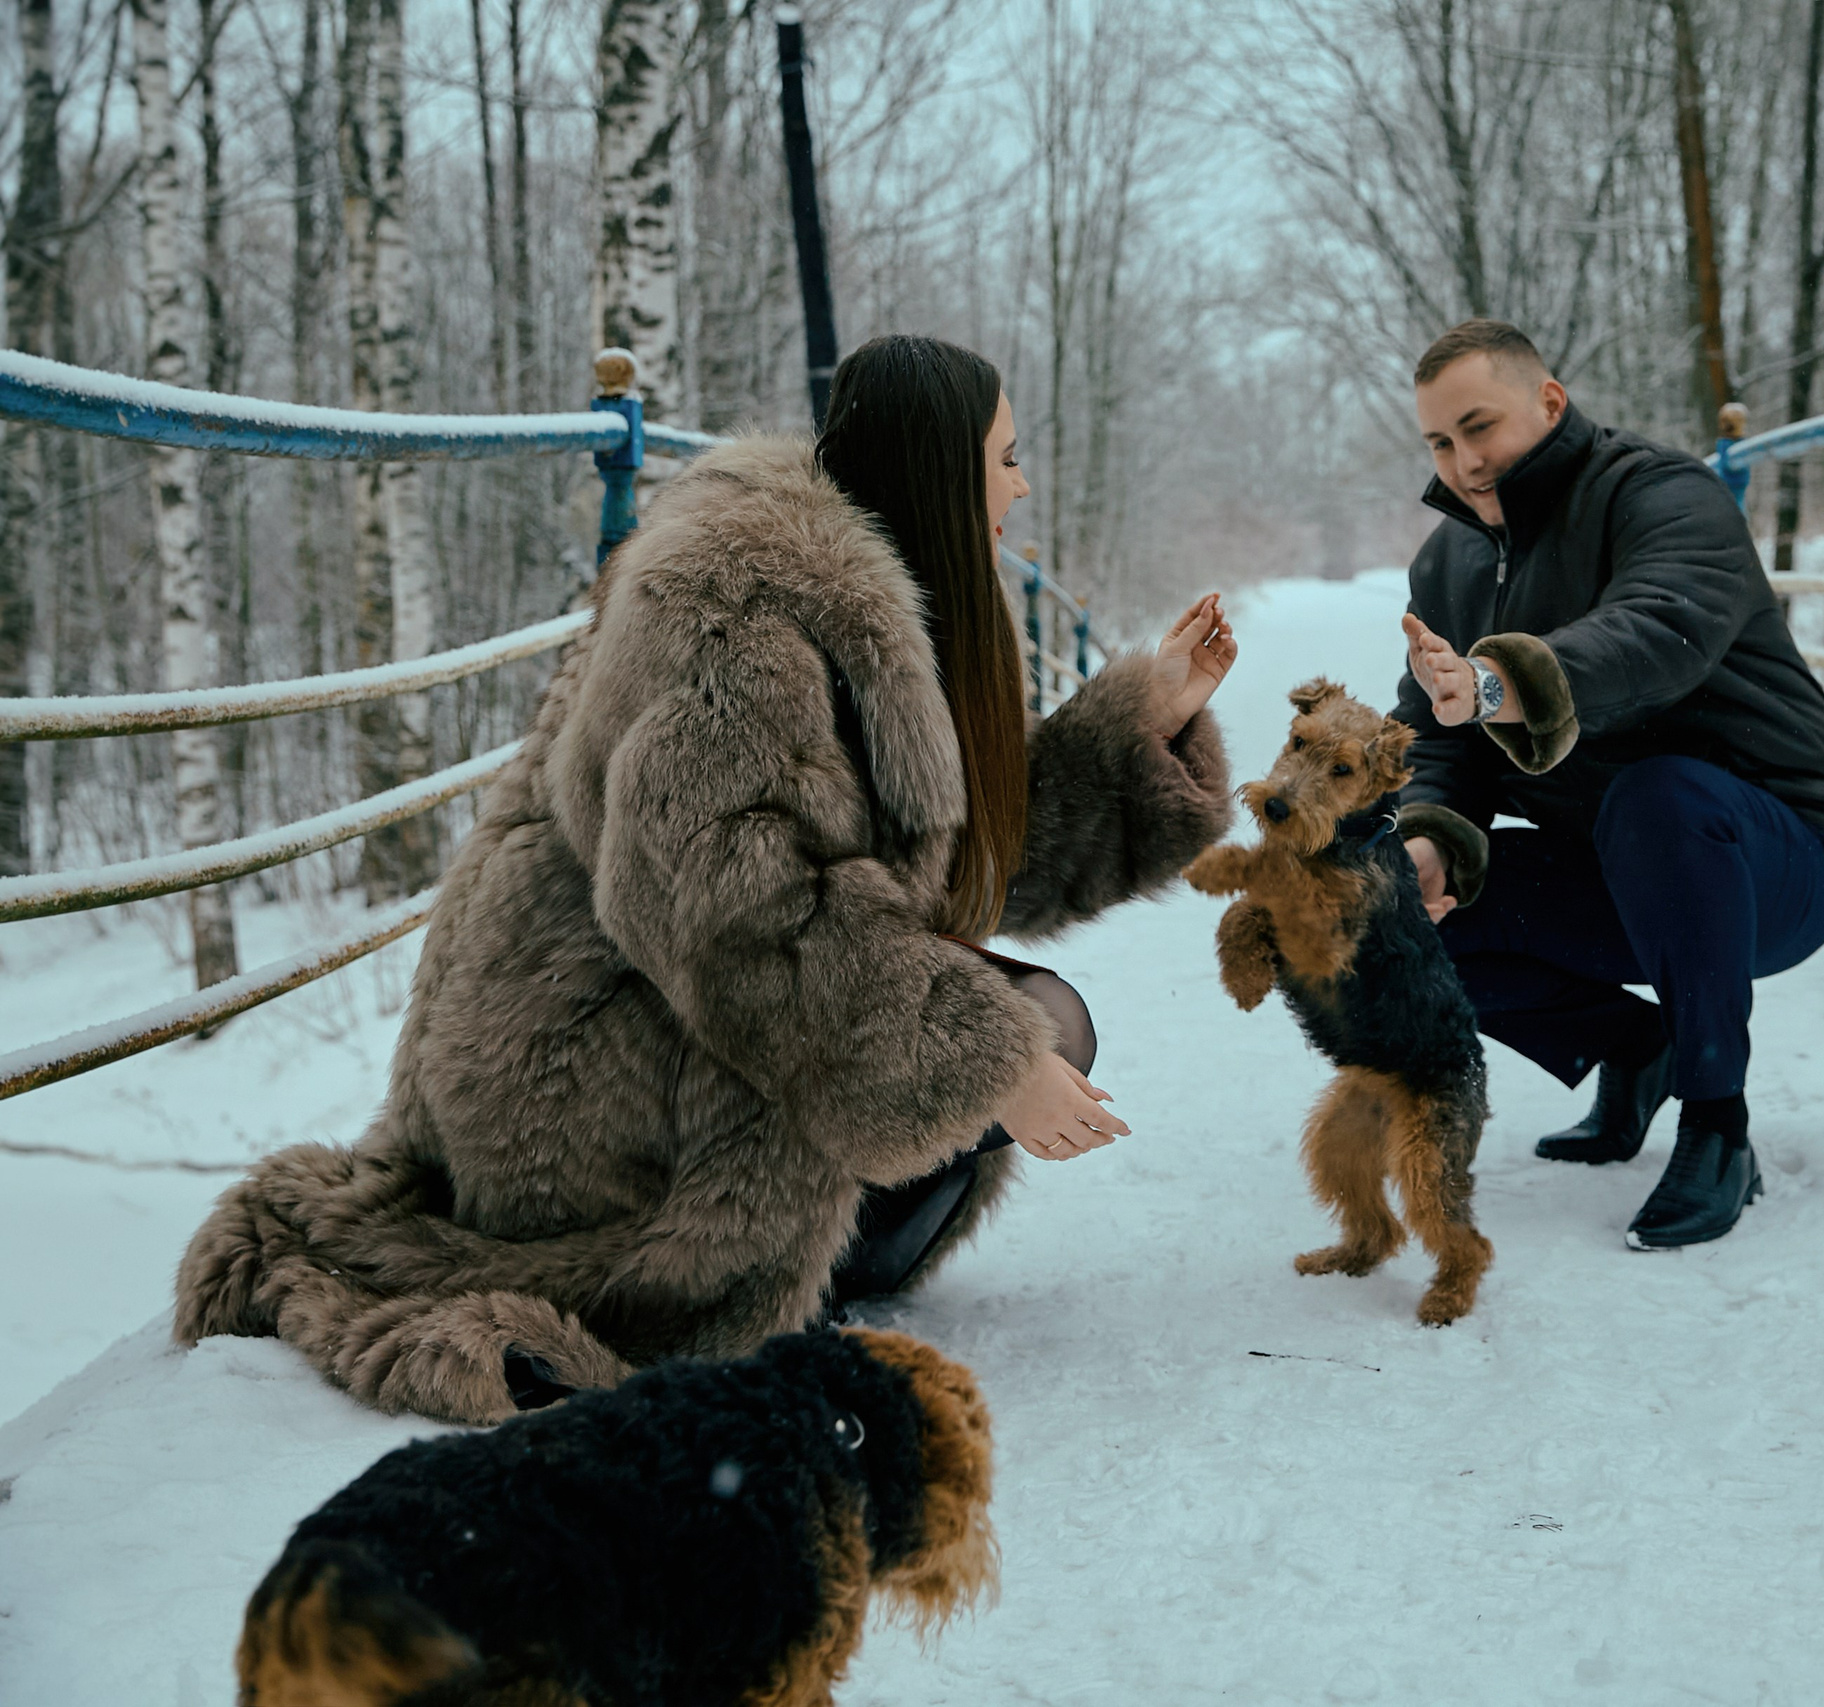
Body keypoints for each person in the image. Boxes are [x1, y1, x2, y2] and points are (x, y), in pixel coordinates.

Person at [174, 334, 1237, 1425]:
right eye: (1004, 457)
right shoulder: (738, 614)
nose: (1020, 484)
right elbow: (742, 917)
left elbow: (944, 855)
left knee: (1043, 1023)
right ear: (934, 466)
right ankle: (709, 1281)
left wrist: (1139, 728)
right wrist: (983, 1064)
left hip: (691, 1006)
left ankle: (807, 1261)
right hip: (583, 1070)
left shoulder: (870, 591)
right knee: (1008, 1041)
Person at [1388, 320, 1824, 1251]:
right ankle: (1628, 1045)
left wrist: (1497, 681)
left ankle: (1717, 1123)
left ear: (1551, 403)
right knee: (1385, 899)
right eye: (1441, 442)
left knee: (1661, 797)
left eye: (1480, 426)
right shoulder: (1447, 562)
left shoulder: (1664, 493)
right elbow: (1435, 734)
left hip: (1776, 858)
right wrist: (1429, 837)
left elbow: (1660, 630)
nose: (1464, 460)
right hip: (1611, 866)